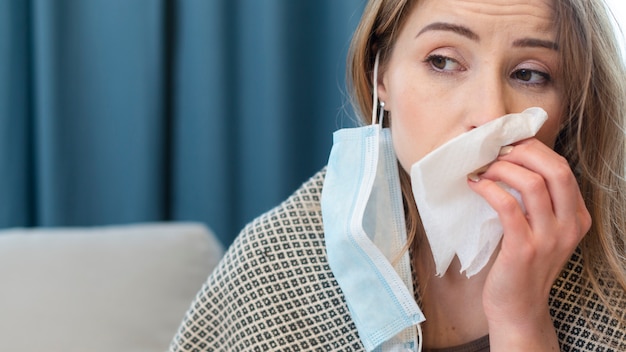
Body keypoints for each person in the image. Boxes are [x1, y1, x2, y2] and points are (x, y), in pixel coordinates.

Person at [169, 0, 626, 351]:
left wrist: (522, 321)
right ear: (381, 76)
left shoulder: (615, 262)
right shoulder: (275, 265)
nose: (488, 114)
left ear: (572, 107)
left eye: (529, 74)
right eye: (443, 62)